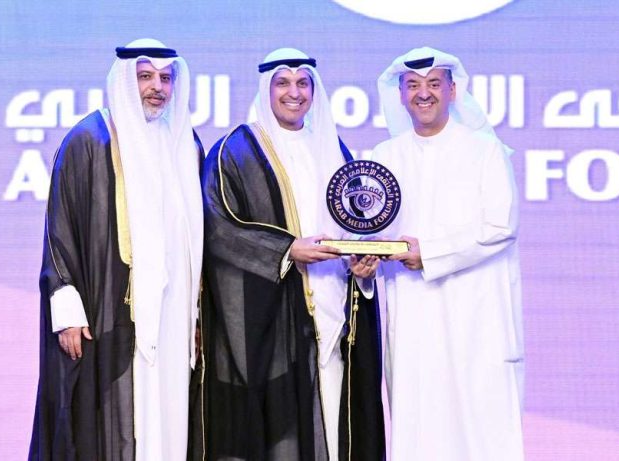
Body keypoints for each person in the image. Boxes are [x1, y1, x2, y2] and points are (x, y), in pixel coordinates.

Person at [191, 48, 384, 461]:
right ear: (266, 89)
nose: (294, 93)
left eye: (303, 83)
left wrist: (362, 267)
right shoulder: (234, 151)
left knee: (335, 421)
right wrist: (286, 250)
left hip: (333, 313)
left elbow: (354, 225)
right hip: (271, 324)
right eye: (283, 83)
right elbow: (218, 229)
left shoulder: (335, 149)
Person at [29, 38, 203, 460]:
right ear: (125, 81)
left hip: (174, 314)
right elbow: (60, 229)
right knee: (113, 420)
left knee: (169, 415)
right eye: (145, 77)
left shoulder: (185, 143)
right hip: (108, 311)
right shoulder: (89, 140)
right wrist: (67, 311)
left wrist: (198, 314)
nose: (157, 87)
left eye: (166, 78)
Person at [372, 47, 524, 460]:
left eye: (434, 84)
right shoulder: (384, 157)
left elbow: (501, 226)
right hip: (411, 315)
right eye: (413, 85)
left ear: (453, 91)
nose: (424, 94)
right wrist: (364, 258)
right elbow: (374, 232)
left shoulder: (485, 150)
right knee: (417, 424)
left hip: (476, 316)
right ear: (400, 95)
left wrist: (430, 254)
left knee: (480, 428)